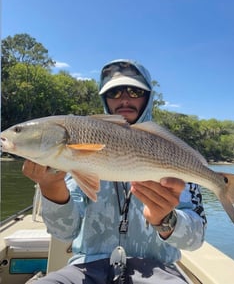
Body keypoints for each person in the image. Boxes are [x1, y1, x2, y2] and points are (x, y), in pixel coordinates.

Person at [23, 59, 207, 284]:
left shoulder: (176, 154)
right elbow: (65, 233)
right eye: (115, 92)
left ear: (148, 97)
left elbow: (196, 240)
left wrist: (167, 220)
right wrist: (51, 188)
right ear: (104, 99)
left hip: (160, 269)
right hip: (87, 267)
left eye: (134, 90)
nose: (125, 99)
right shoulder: (78, 146)